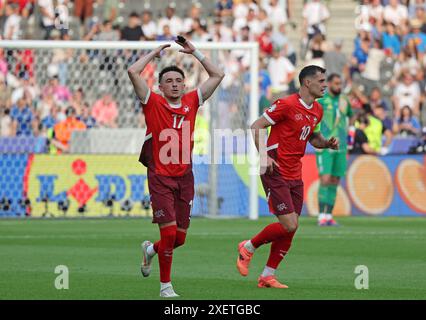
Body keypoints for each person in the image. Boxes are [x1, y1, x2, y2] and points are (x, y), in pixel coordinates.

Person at [127, 37, 224, 298]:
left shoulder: (192, 101)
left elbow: (218, 74)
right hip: (160, 176)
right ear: (159, 87)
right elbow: (132, 71)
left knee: (178, 239)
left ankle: (150, 250)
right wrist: (153, 52)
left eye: (178, 81)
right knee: (169, 232)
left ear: (184, 84)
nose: (174, 84)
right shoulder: (152, 102)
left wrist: (196, 53)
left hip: (185, 177)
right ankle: (165, 286)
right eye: (168, 81)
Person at [236, 65, 339, 288]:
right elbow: (257, 126)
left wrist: (326, 144)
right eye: (321, 81)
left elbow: (313, 138)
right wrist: (263, 156)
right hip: (274, 167)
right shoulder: (286, 104)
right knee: (289, 223)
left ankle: (267, 275)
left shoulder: (317, 110)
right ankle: (248, 247)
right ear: (307, 83)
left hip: (295, 171)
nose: (325, 85)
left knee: (292, 226)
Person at [315, 74, 353, 226]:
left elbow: (352, 116)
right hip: (326, 145)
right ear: (329, 84)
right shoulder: (322, 101)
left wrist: (351, 132)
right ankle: (321, 216)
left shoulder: (344, 100)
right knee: (325, 179)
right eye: (336, 83)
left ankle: (329, 215)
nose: (339, 86)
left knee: (335, 180)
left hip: (341, 146)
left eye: (340, 83)